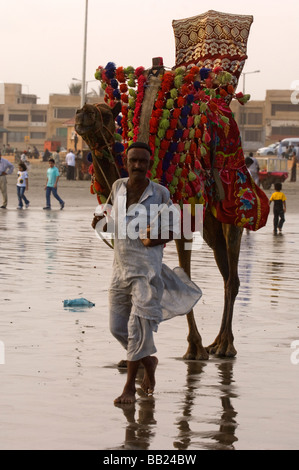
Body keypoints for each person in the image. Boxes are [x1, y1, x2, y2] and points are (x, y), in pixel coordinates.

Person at [91, 142, 202, 404]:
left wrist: (155, 238)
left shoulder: (161, 194)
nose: (138, 166)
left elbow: (176, 228)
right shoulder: (118, 187)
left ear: (149, 165)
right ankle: (148, 361)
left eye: (142, 161)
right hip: (120, 271)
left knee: (137, 328)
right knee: (117, 328)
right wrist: (100, 223)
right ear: (126, 162)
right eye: (133, 161)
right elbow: (108, 223)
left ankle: (129, 387)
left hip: (147, 275)